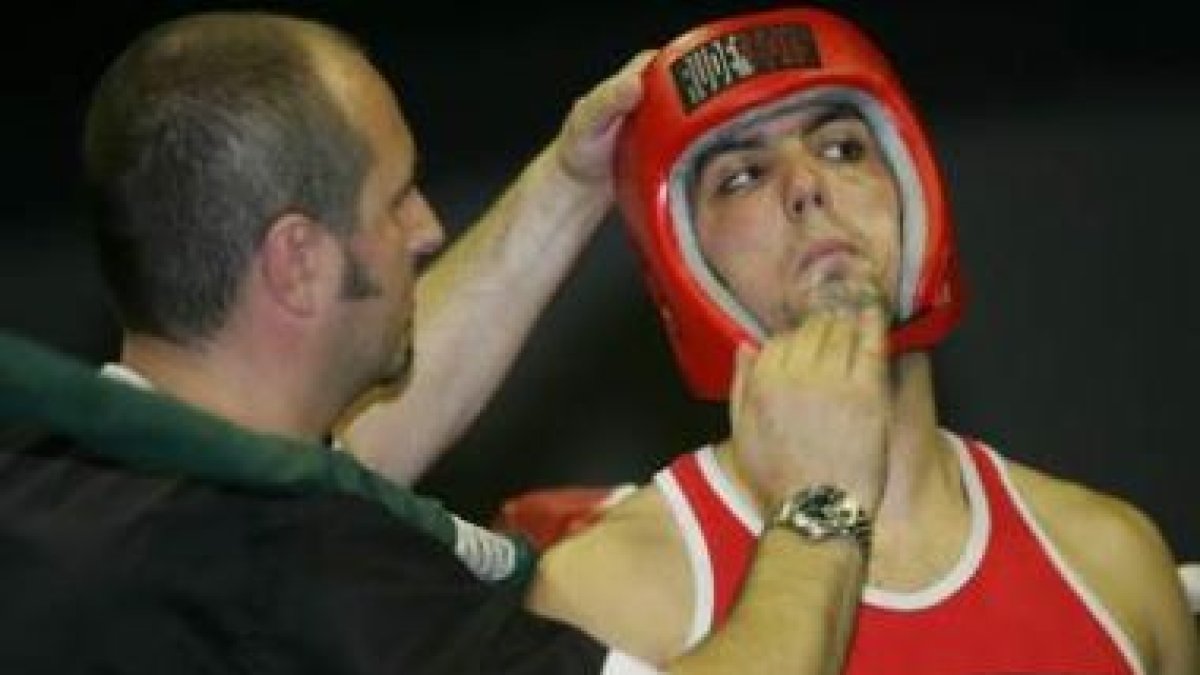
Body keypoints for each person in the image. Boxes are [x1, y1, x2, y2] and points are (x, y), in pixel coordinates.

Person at [0, 9, 895, 674]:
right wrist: (821, 500)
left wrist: (570, 182)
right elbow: (301, 543)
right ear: (297, 261)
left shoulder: (52, 491)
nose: (428, 228)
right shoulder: (315, 584)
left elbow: (310, 475)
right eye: (397, 199)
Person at [496, 7, 1199, 674]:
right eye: (743, 175)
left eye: (842, 147)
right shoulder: (615, 594)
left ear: (910, 192)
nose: (808, 185)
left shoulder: (1111, 563)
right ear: (683, 262)